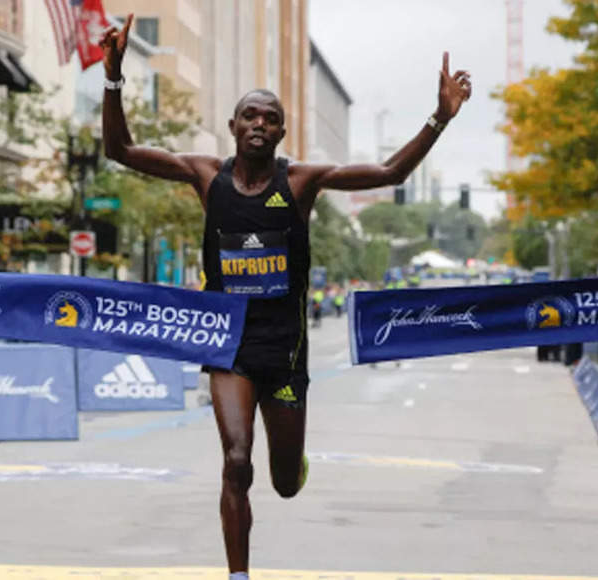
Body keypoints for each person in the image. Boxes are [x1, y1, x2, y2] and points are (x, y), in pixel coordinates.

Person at [99, 15, 472, 578]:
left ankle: (293, 463)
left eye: (271, 119)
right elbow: (121, 150)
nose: (259, 123)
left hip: (287, 349)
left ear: (281, 134)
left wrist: (437, 119)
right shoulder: (206, 175)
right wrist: (112, 76)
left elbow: (390, 170)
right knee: (235, 462)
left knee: (281, 481)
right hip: (230, 343)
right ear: (232, 125)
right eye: (250, 114)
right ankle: (238, 575)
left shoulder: (300, 182)